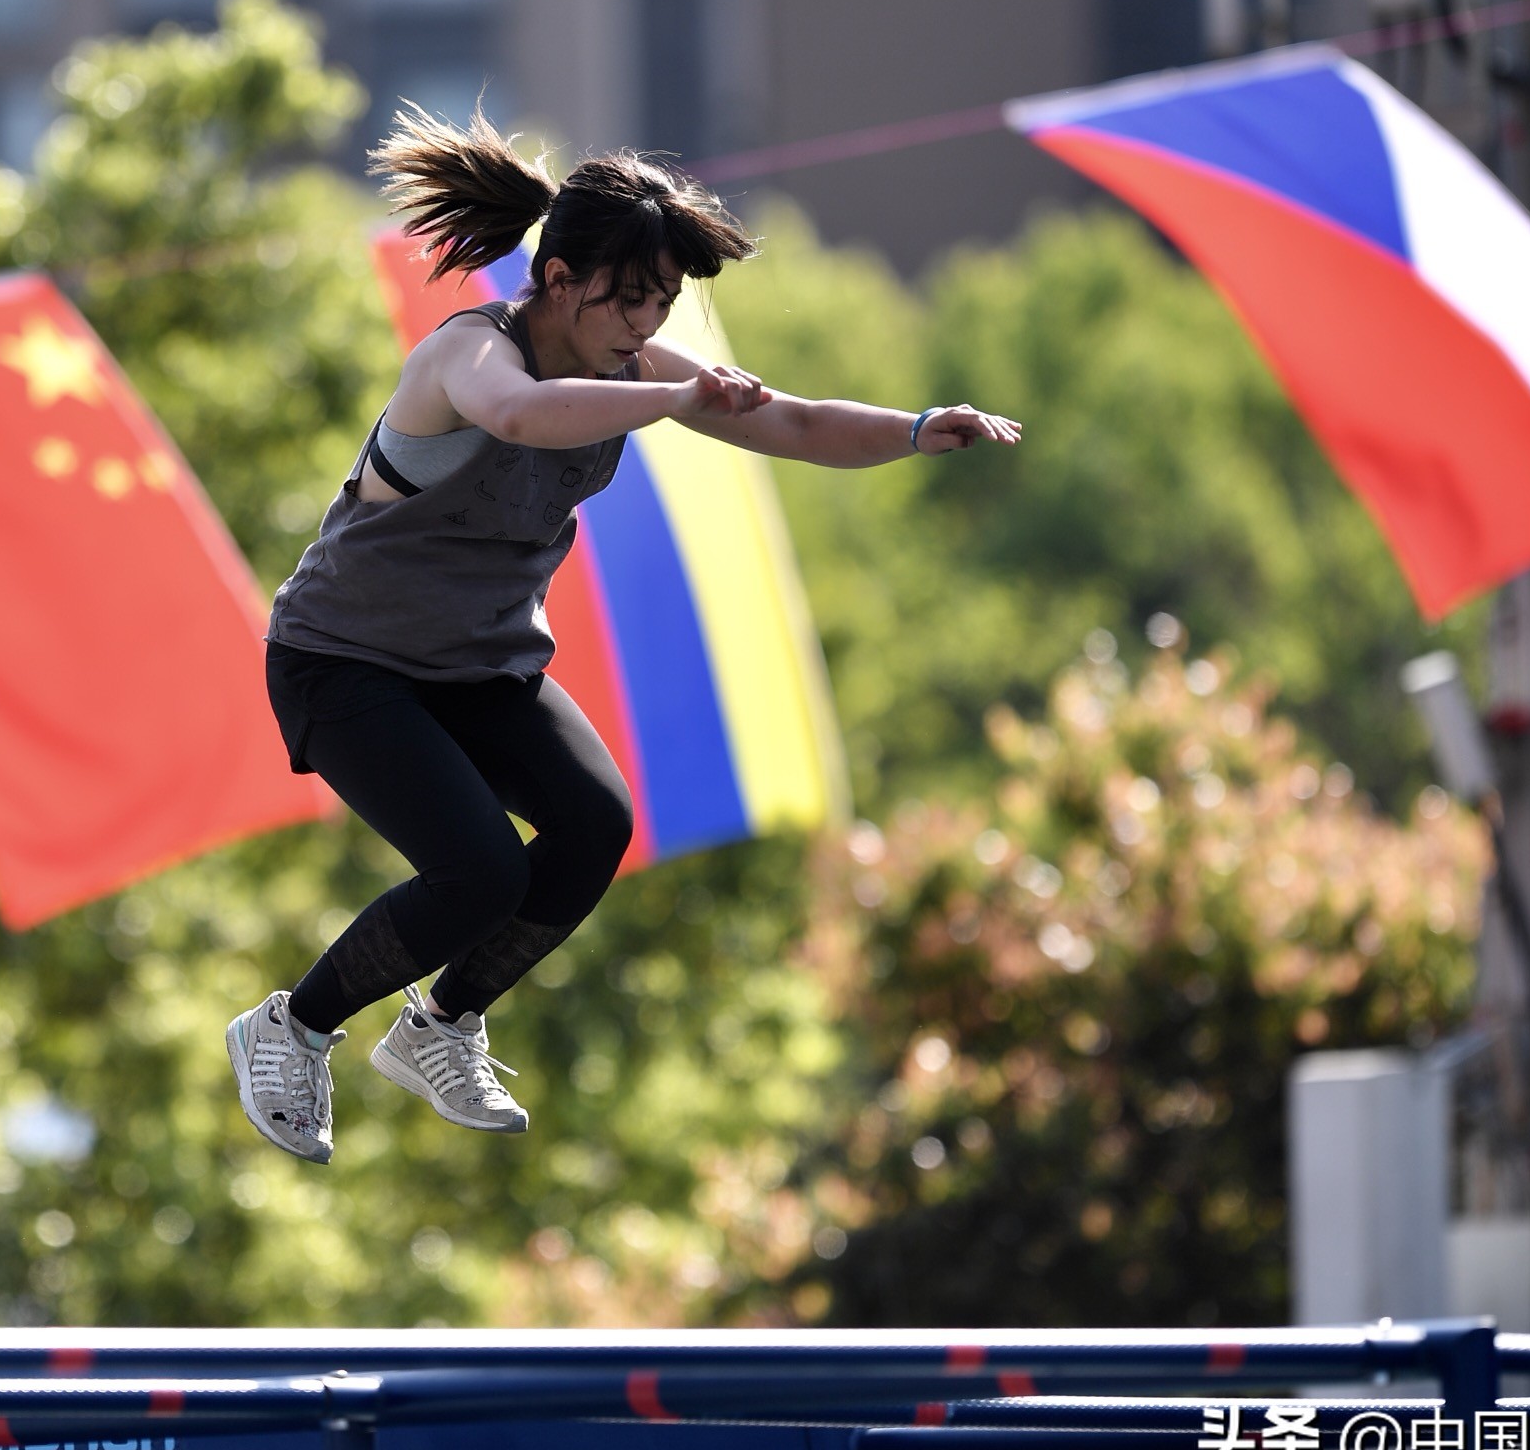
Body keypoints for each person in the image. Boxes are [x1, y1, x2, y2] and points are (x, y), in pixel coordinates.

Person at [228, 107, 1022, 1163]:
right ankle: (293, 1026)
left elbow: (788, 420)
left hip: (477, 663)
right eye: (629, 298)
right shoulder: (469, 352)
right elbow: (518, 415)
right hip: (345, 660)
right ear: (558, 278)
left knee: (595, 823)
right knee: (478, 870)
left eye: (660, 305)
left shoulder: (642, 368)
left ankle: (443, 1024)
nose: (645, 325)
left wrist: (917, 429)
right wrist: (673, 394)